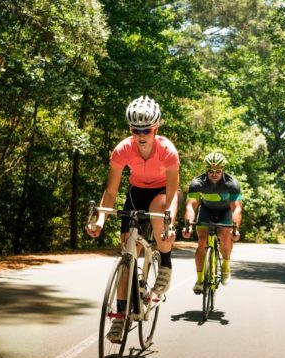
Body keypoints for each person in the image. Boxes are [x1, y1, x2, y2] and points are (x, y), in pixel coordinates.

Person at [86, 95, 179, 342]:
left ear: (155, 128)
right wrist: (101, 220)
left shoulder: (167, 150)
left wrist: (170, 222)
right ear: (130, 129)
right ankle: (119, 317)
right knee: (128, 251)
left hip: (162, 193)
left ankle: (166, 264)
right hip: (135, 192)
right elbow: (111, 191)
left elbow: (172, 195)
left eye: (146, 129)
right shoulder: (122, 150)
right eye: (136, 129)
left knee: (160, 209)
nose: (141, 134)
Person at [182, 152, 242, 295]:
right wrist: (188, 225)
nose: (214, 174)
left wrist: (235, 230)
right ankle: (200, 280)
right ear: (206, 170)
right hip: (206, 210)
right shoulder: (198, 183)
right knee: (202, 240)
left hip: (225, 212)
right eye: (210, 171)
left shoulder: (231, 184)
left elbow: (236, 208)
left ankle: (226, 266)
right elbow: (191, 206)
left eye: (217, 171)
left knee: (224, 234)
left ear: (223, 170)